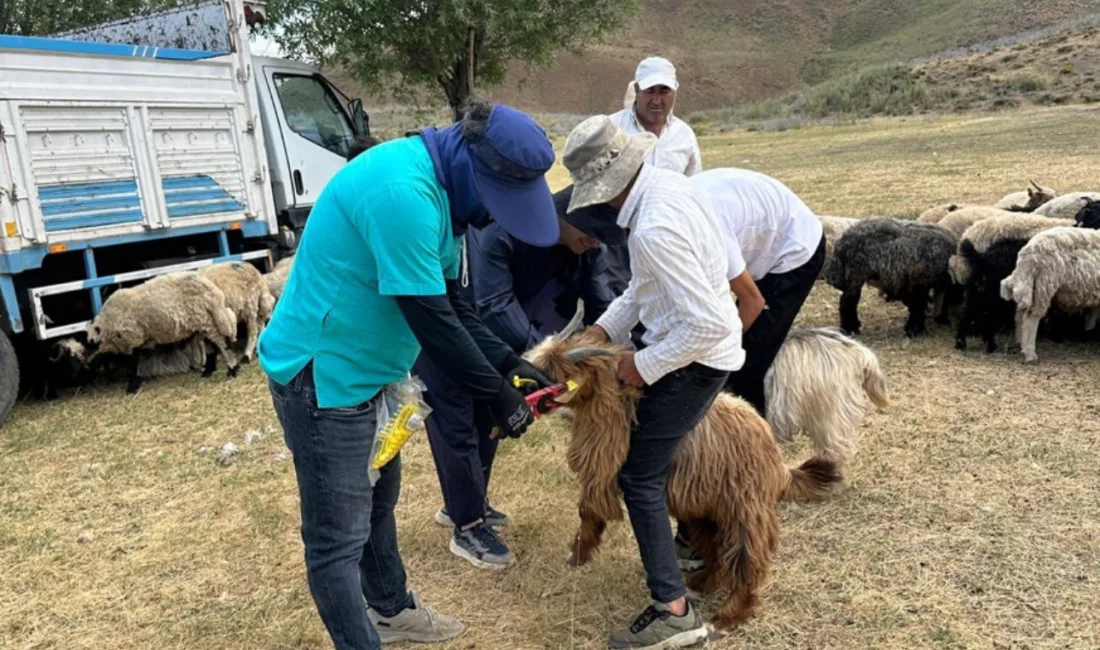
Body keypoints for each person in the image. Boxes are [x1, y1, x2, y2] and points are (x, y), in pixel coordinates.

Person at [257, 102, 559, 650]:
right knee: (336, 538)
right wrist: (494, 395)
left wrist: (512, 367)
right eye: (496, 204)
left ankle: (391, 612)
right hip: (324, 376)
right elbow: (430, 317)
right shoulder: (404, 194)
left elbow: (453, 303)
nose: (495, 220)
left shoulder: (441, 192)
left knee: (377, 502)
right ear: (471, 166)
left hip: (372, 375)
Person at [561, 114, 745, 649]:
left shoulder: (655, 226)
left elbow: (705, 323)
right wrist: (602, 330)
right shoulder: (665, 189)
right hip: (693, 349)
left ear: (605, 187)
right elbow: (646, 289)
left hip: (697, 359)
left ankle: (673, 609)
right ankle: (690, 549)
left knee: (639, 477)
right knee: (654, 465)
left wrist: (638, 366)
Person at [414, 185, 618, 569]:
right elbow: (494, 306)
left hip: (504, 348)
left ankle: (469, 502)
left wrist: (607, 350)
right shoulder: (502, 232)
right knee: (455, 421)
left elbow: (601, 306)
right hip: (453, 329)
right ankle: (467, 526)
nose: (595, 242)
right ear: (562, 216)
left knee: (489, 420)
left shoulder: (591, 246)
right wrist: (540, 363)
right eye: (590, 233)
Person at [672, 166, 827, 576]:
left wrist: (722, 348)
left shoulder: (701, 228)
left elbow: (752, 302)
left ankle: (748, 486)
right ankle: (716, 482)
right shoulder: (665, 223)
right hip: (754, 244)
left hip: (792, 254)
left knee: (740, 371)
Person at [604, 56, 705, 295]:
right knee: (620, 301)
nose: (657, 99)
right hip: (618, 235)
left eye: (664, 91)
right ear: (637, 90)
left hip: (668, 235)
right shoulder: (611, 128)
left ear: (675, 93)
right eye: (650, 91)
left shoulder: (684, 134)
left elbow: (694, 186)